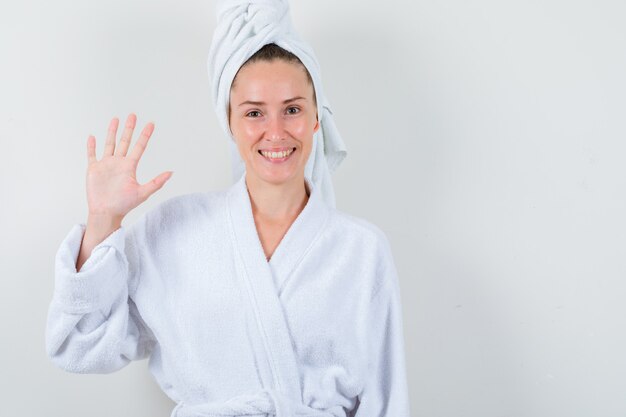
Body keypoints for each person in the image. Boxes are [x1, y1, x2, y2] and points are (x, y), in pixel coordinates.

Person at [45, 2, 411, 417]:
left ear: (315, 119)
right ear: (230, 122)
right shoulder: (172, 232)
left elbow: (387, 402)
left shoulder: (361, 250)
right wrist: (102, 221)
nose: (275, 132)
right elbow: (78, 345)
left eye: (292, 109)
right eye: (254, 113)